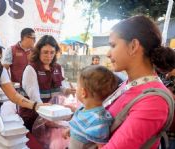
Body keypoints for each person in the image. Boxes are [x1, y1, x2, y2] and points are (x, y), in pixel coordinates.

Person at [102, 15, 175, 148]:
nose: (108, 53)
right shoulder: (127, 84)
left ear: (133, 46)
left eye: (113, 45)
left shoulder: (153, 101)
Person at [19, 35, 76, 131]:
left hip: (51, 116)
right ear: (38, 52)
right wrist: (48, 116)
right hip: (32, 116)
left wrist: (67, 91)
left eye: (52, 52)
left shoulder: (58, 67)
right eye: (45, 52)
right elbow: (35, 98)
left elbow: (60, 88)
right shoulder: (31, 69)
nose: (49, 56)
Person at [62, 65, 118, 149]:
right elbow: (80, 126)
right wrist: (71, 130)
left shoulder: (98, 121)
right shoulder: (84, 109)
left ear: (83, 92)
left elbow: (101, 146)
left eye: (77, 86)